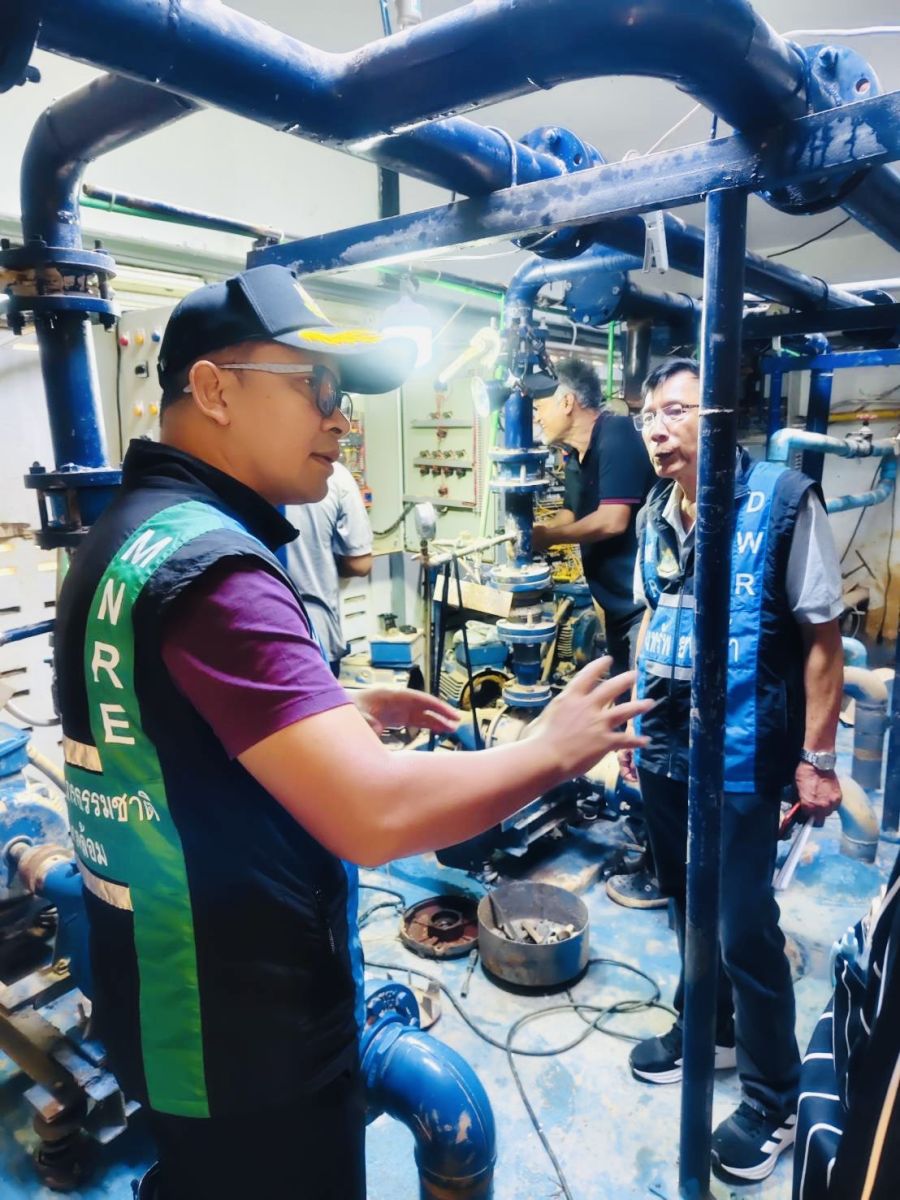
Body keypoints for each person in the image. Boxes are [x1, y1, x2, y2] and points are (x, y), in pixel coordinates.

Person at [54, 264, 652, 1200]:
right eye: (319, 389)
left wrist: (326, 708)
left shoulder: (129, 534)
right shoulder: (219, 568)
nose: (343, 421)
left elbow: (163, 732)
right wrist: (548, 751)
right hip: (251, 1038)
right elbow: (373, 816)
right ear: (213, 390)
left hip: (160, 1002)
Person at [620, 358, 844, 1186]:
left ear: (720, 419)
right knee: (686, 904)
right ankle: (707, 1029)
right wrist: (629, 722)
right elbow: (652, 619)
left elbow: (823, 641)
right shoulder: (654, 512)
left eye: (676, 411)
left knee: (744, 924)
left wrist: (819, 758)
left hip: (744, 751)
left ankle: (774, 1096)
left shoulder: (782, 500)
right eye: (648, 414)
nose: (657, 429)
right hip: (665, 746)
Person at [532, 356, 662, 909]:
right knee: (633, 724)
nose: (536, 417)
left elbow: (613, 521)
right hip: (616, 608)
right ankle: (649, 826)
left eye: (540, 406)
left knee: (650, 728)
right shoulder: (578, 454)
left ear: (567, 402)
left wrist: (550, 537)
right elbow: (580, 517)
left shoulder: (617, 437)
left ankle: (662, 865)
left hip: (643, 611)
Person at [285, 459, 373, 677]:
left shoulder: (242, 469)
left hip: (255, 636)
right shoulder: (336, 475)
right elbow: (360, 564)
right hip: (317, 632)